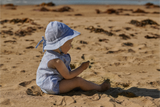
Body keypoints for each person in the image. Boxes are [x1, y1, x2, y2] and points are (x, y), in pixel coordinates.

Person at [35, 21, 110, 94]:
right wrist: (82, 67)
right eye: (69, 43)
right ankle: (100, 88)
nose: (71, 46)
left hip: (49, 81)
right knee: (78, 81)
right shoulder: (56, 60)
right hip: (52, 86)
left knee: (74, 81)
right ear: (60, 44)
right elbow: (68, 75)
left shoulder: (53, 52)